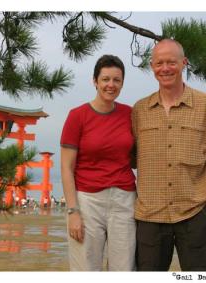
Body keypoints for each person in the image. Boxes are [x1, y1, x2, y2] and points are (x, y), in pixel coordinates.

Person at [132, 39, 206, 271]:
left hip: (195, 212)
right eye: (159, 63)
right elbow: (129, 157)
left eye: (171, 62)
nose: (165, 68)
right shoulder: (139, 110)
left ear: (183, 63)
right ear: (152, 66)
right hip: (149, 215)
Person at [60, 54, 136, 271]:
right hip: (87, 201)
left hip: (124, 200)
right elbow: (66, 168)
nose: (111, 85)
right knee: (86, 267)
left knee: (124, 268)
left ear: (122, 83)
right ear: (95, 81)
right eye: (105, 79)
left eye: (116, 80)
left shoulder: (130, 114)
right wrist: (73, 211)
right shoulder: (77, 116)